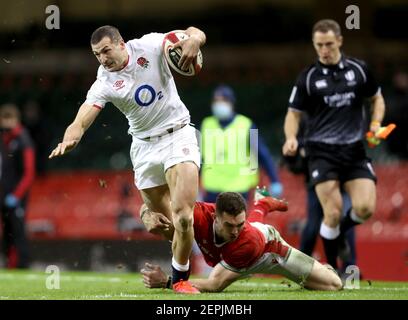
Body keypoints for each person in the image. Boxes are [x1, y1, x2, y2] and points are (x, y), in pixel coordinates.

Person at [48, 25, 206, 293]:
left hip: (178, 134)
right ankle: (198, 247)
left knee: (183, 218)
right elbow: (82, 117)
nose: (102, 58)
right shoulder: (104, 82)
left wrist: (193, 40)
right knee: (166, 226)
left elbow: (195, 32)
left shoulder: (151, 45)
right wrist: (69, 138)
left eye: (106, 50)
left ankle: (180, 281)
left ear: (121, 44)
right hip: (144, 148)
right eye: (96, 54)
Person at [282, 19, 386, 271]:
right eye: (319, 45)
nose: (324, 50)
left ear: (339, 41)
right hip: (321, 152)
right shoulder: (307, 77)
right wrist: (291, 138)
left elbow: (377, 99)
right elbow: (293, 114)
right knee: (332, 212)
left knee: (365, 208)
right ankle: (333, 270)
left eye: (329, 44)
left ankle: (340, 233)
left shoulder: (359, 70)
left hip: (353, 151)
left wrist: (375, 123)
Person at [140, 191, 342, 292]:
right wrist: (146, 215)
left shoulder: (245, 241)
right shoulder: (196, 215)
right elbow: (151, 201)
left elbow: (215, 284)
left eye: (239, 224)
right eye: (229, 225)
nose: (235, 231)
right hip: (250, 236)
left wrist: (168, 282)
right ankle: (262, 204)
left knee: (334, 285)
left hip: (269, 251)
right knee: (252, 227)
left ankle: (261, 206)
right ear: (215, 217)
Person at [282, 114, 357, 274]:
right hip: (316, 181)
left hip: (342, 181)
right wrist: (300, 148)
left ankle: (350, 269)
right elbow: (292, 146)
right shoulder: (305, 117)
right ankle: (301, 267)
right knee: (313, 226)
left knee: (345, 222)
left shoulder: (345, 115)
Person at [200, 85, 283, 202]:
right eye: (216, 101)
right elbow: (198, 156)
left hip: (239, 187)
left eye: (223, 100)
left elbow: (262, 153)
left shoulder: (248, 124)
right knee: (211, 220)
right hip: (212, 187)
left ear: (231, 103)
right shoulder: (206, 124)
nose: (219, 104)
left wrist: (275, 180)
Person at [0, 103, 36, 268]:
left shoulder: (23, 139)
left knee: (18, 231)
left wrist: (17, 195)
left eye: (8, 119)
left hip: (17, 196)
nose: (6, 124)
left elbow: (29, 173)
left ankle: (23, 265)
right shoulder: (5, 138)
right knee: (7, 233)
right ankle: (9, 264)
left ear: (15, 119)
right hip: (5, 194)